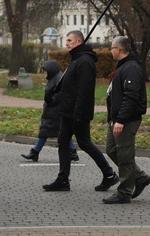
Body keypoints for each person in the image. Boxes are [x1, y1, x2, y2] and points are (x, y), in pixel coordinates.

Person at [42, 30, 118, 193]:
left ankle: (109, 174)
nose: (66, 43)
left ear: (78, 42)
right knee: (63, 142)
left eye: (69, 40)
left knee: (85, 143)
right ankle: (63, 179)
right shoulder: (76, 59)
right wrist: (54, 92)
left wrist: (78, 113)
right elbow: (69, 83)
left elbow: (85, 90)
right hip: (67, 111)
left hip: (77, 113)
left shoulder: (85, 61)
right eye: (66, 40)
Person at [102, 36, 150, 204]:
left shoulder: (131, 68)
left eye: (111, 48)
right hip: (116, 118)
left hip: (126, 120)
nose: (110, 51)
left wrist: (121, 120)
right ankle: (140, 177)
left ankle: (124, 193)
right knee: (111, 150)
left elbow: (131, 96)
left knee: (125, 155)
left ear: (118, 49)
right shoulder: (124, 66)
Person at [20, 60, 78, 163]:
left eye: (45, 71)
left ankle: (35, 152)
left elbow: (60, 94)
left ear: (51, 70)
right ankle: (72, 152)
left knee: (48, 131)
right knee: (61, 132)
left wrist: (51, 100)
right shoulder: (54, 78)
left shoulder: (58, 79)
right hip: (53, 111)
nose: (44, 73)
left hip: (55, 112)